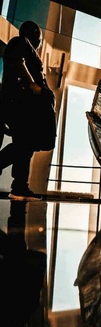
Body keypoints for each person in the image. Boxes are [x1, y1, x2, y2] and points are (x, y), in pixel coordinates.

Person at [0, 20, 56, 200]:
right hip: (20, 105)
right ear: (34, 35)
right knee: (24, 145)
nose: (39, 41)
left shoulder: (25, 48)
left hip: (24, 107)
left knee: (25, 145)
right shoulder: (20, 42)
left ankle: (19, 186)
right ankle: (19, 186)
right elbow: (15, 60)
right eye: (39, 36)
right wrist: (32, 84)